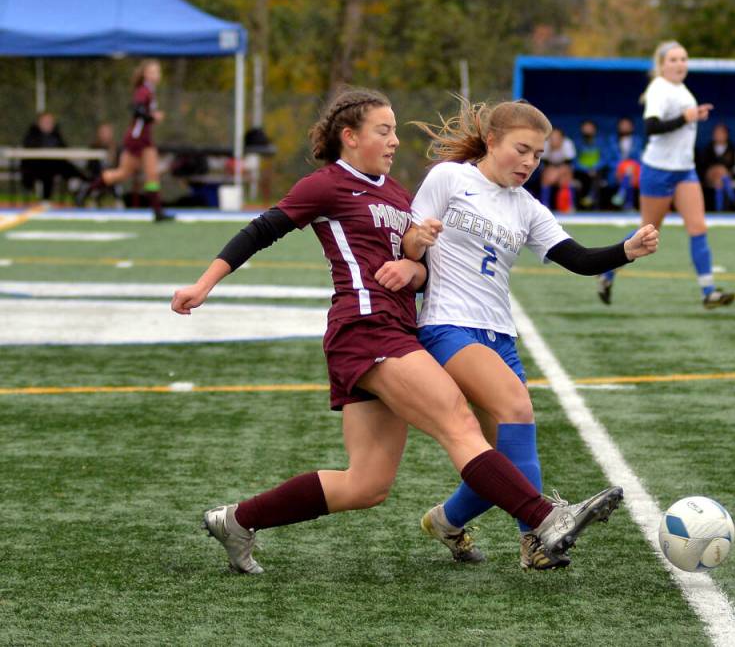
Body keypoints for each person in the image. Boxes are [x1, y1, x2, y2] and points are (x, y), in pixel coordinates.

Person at [170, 86, 624, 574]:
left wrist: (413, 270)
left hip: (396, 330)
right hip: (365, 329)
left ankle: (237, 520)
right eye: (383, 131)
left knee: (366, 485)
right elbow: (261, 230)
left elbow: (417, 263)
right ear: (349, 137)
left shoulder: (394, 193)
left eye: (394, 132)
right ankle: (543, 519)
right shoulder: (327, 184)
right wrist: (204, 283)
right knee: (459, 421)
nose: (393, 141)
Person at [405, 98, 659, 570]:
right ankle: (536, 539)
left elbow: (578, 259)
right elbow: (409, 236)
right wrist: (413, 247)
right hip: (447, 325)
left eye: (539, 156)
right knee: (518, 409)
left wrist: (626, 250)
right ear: (492, 141)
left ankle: (445, 521)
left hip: (501, 335)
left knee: (501, 465)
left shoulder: (526, 208)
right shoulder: (449, 178)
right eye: (522, 149)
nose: (529, 162)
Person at [597, 40, 733, 308]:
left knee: (698, 228)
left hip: (685, 170)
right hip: (658, 170)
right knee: (647, 234)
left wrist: (694, 115)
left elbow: (682, 120)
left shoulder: (680, 88)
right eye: (673, 59)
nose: (680, 64)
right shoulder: (659, 88)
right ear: (661, 65)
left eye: (683, 59)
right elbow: (651, 127)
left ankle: (709, 292)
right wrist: (687, 117)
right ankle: (607, 270)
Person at [85, 59, 172, 221]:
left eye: (158, 72)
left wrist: (151, 117)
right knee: (125, 173)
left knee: (146, 174)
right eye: (153, 71)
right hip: (137, 139)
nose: (157, 75)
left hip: (143, 139)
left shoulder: (150, 90)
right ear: (145, 74)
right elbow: (137, 110)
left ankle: (157, 211)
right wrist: (153, 117)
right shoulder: (143, 90)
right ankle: (87, 190)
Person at [20, 112, 84, 201]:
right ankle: (45, 199)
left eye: (50, 122)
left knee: (66, 166)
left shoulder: (56, 134)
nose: (48, 124)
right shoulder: (32, 134)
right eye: (46, 122)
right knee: (47, 170)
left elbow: (64, 148)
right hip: (35, 167)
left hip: (53, 166)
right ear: (39, 123)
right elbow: (28, 149)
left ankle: (85, 184)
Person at [698, 123, 735, 211]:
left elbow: (732, 164)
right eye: (716, 133)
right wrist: (718, 166)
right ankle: (733, 198)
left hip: (725, 175)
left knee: (719, 182)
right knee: (720, 170)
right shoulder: (708, 148)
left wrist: (721, 166)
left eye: (721, 133)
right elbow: (704, 163)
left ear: (726, 135)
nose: (718, 135)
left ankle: (719, 209)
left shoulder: (731, 147)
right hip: (710, 174)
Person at [538, 127, 576, 211]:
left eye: (557, 137)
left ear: (562, 138)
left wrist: (558, 173)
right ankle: (544, 205)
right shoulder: (545, 144)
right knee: (546, 177)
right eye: (552, 137)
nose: (554, 140)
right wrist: (553, 172)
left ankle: (569, 205)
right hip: (550, 168)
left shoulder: (567, 143)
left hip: (564, 168)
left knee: (566, 177)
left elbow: (568, 162)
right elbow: (544, 162)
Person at [573, 119, 607, 209]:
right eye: (585, 128)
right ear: (581, 129)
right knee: (583, 177)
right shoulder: (577, 143)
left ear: (594, 130)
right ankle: (585, 201)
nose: (587, 130)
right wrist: (586, 169)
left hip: (597, 171)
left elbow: (605, 159)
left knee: (597, 175)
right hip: (581, 172)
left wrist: (594, 168)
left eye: (590, 128)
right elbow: (574, 160)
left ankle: (592, 199)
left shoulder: (601, 142)